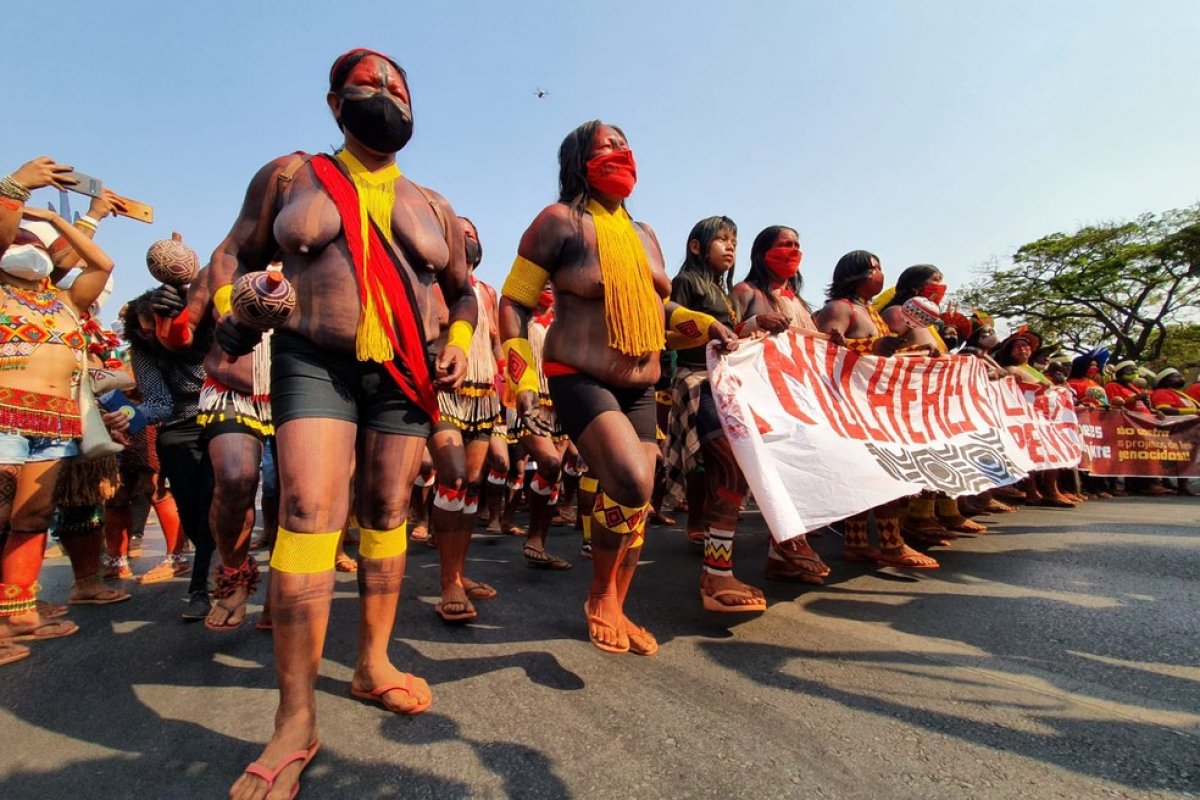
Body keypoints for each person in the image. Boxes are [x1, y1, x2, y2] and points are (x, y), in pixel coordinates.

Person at [216, 49, 475, 800]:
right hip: (313, 358)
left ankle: (372, 663)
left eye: (398, 87)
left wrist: (459, 342)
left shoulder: (434, 206)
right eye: (369, 84)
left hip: (404, 370)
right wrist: (240, 301)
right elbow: (233, 252)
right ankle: (294, 717)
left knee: (388, 511)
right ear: (335, 103)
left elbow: (462, 293)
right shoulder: (290, 176)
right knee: (307, 511)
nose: (387, 94)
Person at [499, 120, 736, 655]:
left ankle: (615, 603)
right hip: (578, 374)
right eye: (609, 145)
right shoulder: (558, 221)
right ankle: (600, 596)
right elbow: (514, 301)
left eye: (626, 144)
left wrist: (706, 324)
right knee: (629, 479)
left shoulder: (644, 234)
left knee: (641, 491)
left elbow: (660, 310)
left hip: (641, 385)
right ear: (581, 160)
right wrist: (521, 378)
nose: (622, 151)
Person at [0, 160, 114, 666]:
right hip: (3, 416)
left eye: (39, 246)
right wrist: (16, 188)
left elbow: (102, 264)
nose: (31, 248)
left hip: (54, 423)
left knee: (32, 516)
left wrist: (57, 220)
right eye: (20, 240)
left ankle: (17, 609)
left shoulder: (65, 302)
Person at [151, 244, 276, 632]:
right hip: (232, 390)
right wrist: (168, 315)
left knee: (293, 497)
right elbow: (181, 337)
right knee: (235, 481)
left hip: (299, 393)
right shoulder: (220, 271)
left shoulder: (316, 262)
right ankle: (235, 576)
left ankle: (282, 590)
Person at [813, 250, 939, 569]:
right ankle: (891, 543)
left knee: (871, 473)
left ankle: (857, 543)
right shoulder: (840, 308)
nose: (880, 274)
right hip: (850, 403)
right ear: (854, 274)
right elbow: (823, 349)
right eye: (874, 268)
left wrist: (915, 351)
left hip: (873, 403)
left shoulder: (870, 311)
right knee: (882, 473)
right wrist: (871, 347)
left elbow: (881, 355)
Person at [725, 223, 829, 587]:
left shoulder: (799, 303)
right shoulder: (744, 292)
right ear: (762, 252)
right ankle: (780, 545)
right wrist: (756, 322)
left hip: (797, 398)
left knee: (800, 467)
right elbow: (723, 335)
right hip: (759, 396)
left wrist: (830, 342)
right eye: (785, 244)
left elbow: (811, 345)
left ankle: (781, 553)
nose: (794, 250)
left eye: (797, 244)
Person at [427, 217, 502, 621]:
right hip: (444, 395)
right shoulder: (429, 285)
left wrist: (511, 387)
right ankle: (447, 582)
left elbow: (496, 344)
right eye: (457, 234)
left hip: (483, 398)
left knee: (472, 484)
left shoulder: (487, 293)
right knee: (453, 478)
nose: (465, 239)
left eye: (470, 234)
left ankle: (458, 572)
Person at [879, 265, 988, 538]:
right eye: (934, 282)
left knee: (941, 454)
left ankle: (930, 513)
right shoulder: (896, 313)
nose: (940, 288)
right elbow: (885, 352)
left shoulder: (930, 323)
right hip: (906, 400)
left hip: (930, 401)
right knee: (912, 460)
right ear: (914, 286)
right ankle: (905, 523)